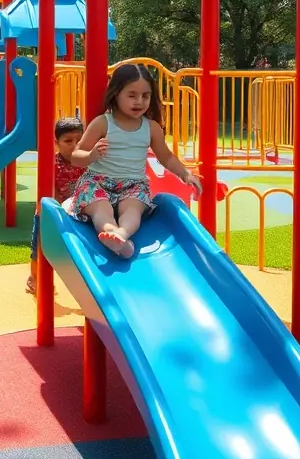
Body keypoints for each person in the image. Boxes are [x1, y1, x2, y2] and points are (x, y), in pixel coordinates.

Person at [70, 63, 202, 258]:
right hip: (97, 181)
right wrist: (90, 156)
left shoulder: (151, 128)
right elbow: (75, 156)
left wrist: (185, 174)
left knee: (132, 209)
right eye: (132, 95)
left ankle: (122, 236)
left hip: (133, 185)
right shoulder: (103, 123)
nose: (139, 101)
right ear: (116, 93)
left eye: (145, 96)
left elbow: (166, 156)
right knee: (101, 208)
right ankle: (110, 232)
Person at [26, 116, 84, 294]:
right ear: (56, 143)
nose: (74, 145)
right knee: (38, 250)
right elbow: (49, 192)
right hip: (52, 213)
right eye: (68, 141)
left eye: (79, 140)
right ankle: (35, 277)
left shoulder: (87, 163)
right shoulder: (53, 163)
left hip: (78, 214)